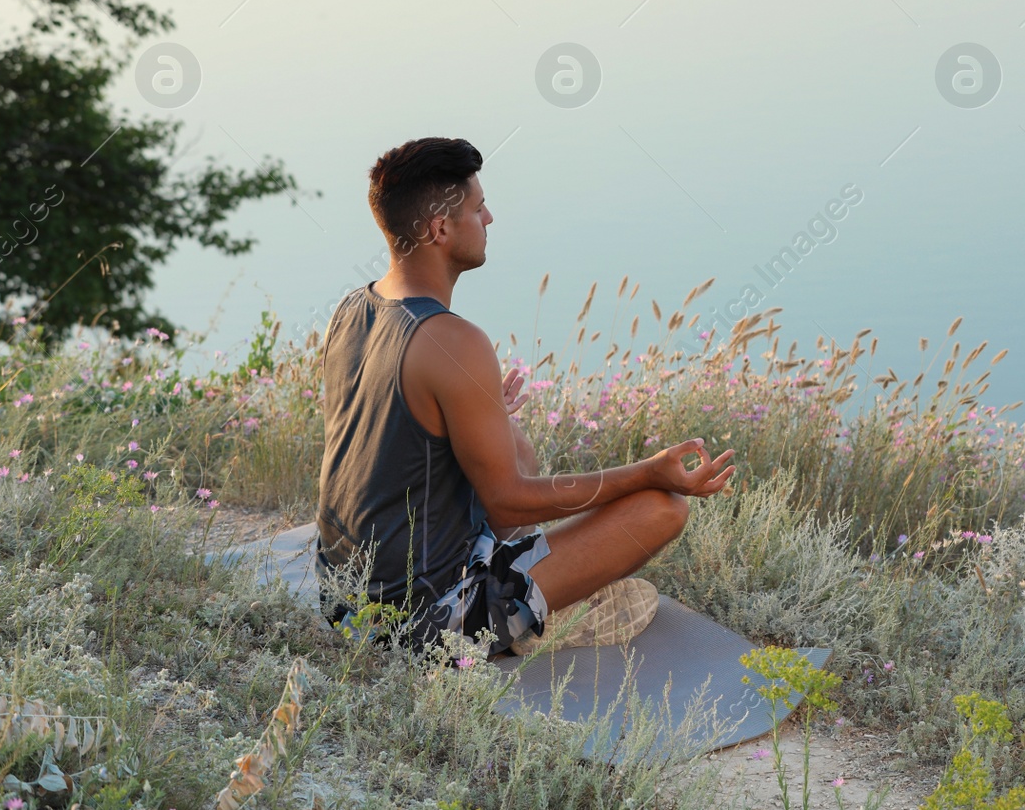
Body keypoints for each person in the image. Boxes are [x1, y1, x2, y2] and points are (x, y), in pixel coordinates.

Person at [315, 136, 735, 657]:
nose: (488, 217)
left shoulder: (353, 307)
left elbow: (384, 429)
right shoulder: (451, 340)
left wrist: (477, 410)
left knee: (517, 448)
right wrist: (647, 472)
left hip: (342, 599)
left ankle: (528, 592)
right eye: (477, 207)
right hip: (417, 625)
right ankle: (534, 624)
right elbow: (507, 499)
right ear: (439, 229)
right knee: (661, 508)